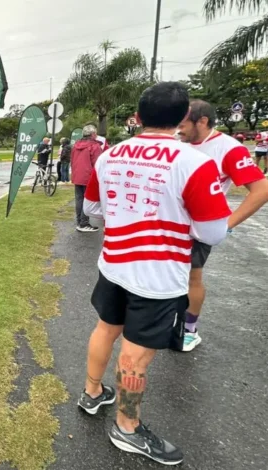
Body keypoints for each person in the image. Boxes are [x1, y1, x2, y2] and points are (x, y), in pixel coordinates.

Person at [78, 82, 231, 465]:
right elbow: (213, 231)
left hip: (113, 265)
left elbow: (93, 210)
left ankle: (92, 393)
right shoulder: (194, 163)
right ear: (182, 117)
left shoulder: (109, 155)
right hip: (158, 277)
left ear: (139, 116)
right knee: (136, 357)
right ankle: (127, 429)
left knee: (105, 329)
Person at [176, 99, 268, 351]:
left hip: (199, 227)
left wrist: (228, 223)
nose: (178, 129)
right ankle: (171, 322)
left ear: (202, 121)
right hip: (169, 223)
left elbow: (261, 189)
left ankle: (189, 330)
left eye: (183, 124)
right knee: (167, 276)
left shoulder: (228, 148)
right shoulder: (178, 143)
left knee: (192, 277)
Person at [71, 125, 102, 233]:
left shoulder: (75, 145)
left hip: (77, 175)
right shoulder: (95, 146)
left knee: (79, 199)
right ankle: (84, 223)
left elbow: (72, 160)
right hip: (89, 176)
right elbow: (98, 164)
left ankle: (80, 221)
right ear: (93, 134)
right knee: (87, 200)